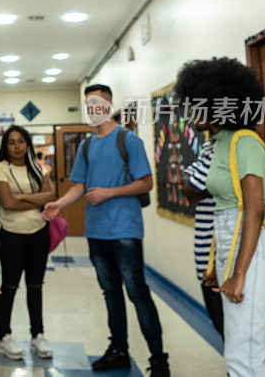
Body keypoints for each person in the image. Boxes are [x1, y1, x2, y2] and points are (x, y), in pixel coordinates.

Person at [42, 84, 170, 376]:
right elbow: (80, 186)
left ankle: (159, 360)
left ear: (109, 103)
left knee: (138, 293)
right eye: (88, 103)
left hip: (125, 231)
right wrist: (58, 204)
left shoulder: (128, 140)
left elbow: (147, 182)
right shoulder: (88, 145)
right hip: (96, 232)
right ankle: (119, 351)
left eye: (98, 102)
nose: (93, 107)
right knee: (110, 293)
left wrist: (109, 193)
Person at [175, 57, 265, 376]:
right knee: (258, 344)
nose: (189, 111)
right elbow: (221, 209)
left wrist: (239, 272)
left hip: (254, 252)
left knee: (240, 353)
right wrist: (217, 267)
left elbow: (254, 209)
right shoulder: (217, 144)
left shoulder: (245, 141)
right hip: (230, 247)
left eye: (195, 104)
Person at [0, 126, 56, 360]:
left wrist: (21, 197)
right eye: (11, 142)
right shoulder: (0, 168)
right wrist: (37, 200)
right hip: (11, 236)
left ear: (28, 144)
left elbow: (52, 195)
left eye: (21, 141)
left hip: (39, 234)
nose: (17, 146)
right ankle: (4, 336)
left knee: (35, 286)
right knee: (9, 287)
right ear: (5, 146)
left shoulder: (37, 168)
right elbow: (7, 203)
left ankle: (38, 335)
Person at [182, 138, 224, 338]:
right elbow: (189, 188)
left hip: (220, 256)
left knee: (229, 326)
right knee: (222, 324)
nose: (192, 112)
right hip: (208, 254)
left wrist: (197, 183)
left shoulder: (229, 146)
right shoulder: (209, 146)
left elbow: (191, 188)